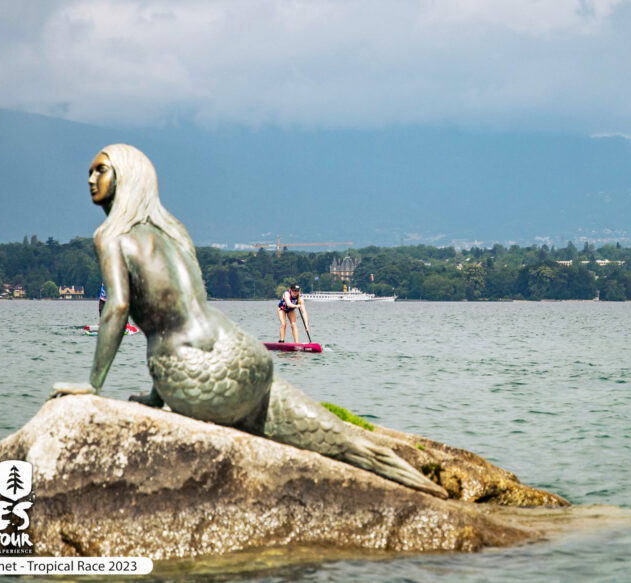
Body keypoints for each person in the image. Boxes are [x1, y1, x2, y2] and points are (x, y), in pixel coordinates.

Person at [51, 143, 445, 497]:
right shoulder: (171, 233)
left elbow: (119, 308)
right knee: (333, 436)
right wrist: (154, 398)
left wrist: (93, 385)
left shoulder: (112, 236)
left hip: (196, 373)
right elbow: (179, 309)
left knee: (318, 436)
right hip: (240, 351)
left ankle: (402, 476)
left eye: (100, 170)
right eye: (90, 171)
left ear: (127, 177)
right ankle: (406, 475)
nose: (90, 179)